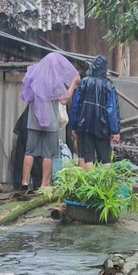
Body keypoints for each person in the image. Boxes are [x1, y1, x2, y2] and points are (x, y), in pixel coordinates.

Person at [20, 53, 80, 189]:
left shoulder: (34, 75)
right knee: (48, 154)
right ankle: (44, 185)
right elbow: (64, 100)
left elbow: (27, 97)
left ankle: (24, 182)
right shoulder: (55, 81)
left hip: (33, 121)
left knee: (30, 152)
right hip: (51, 122)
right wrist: (73, 83)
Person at [69, 55, 121, 169]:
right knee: (105, 157)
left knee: (87, 156)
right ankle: (105, 184)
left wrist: (74, 125)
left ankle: (89, 182)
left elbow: (75, 105)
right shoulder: (109, 86)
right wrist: (115, 130)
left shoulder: (83, 83)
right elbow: (111, 109)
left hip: (85, 125)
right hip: (103, 127)